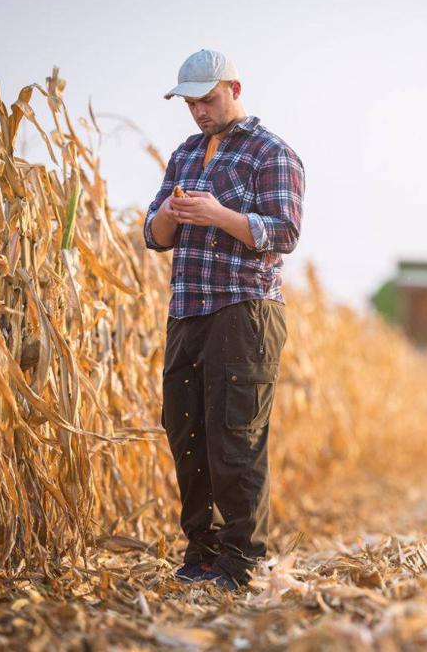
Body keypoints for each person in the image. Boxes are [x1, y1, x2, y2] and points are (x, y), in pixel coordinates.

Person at [143, 48, 305, 591]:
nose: (199, 112)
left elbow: (283, 233)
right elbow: (154, 237)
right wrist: (169, 213)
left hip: (245, 310)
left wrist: (218, 215)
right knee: (185, 429)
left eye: (208, 100)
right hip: (188, 309)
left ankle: (243, 561)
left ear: (235, 88)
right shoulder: (185, 155)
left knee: (235, 436)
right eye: (190, 103)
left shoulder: (271, 153)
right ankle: (203, 555)